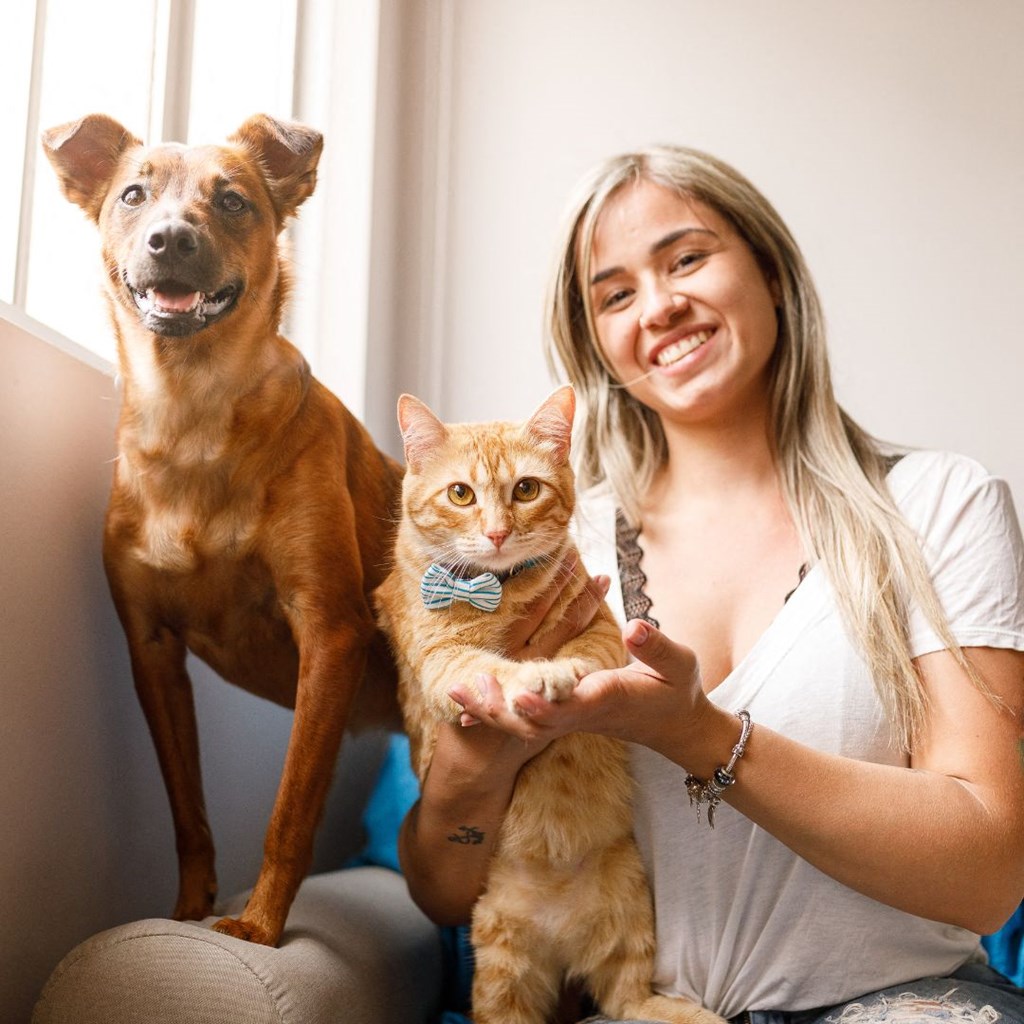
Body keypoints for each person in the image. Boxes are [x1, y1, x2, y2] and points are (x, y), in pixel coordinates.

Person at [397, 144, 1024, 1024]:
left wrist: (699, 734)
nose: (658, 305)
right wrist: (472, 766)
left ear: (770, 270)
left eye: (686, 258)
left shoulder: (938, 504)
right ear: (598, 346)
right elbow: (443, 890)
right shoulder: (539, 544)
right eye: (615, 294)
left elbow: (990, 877)